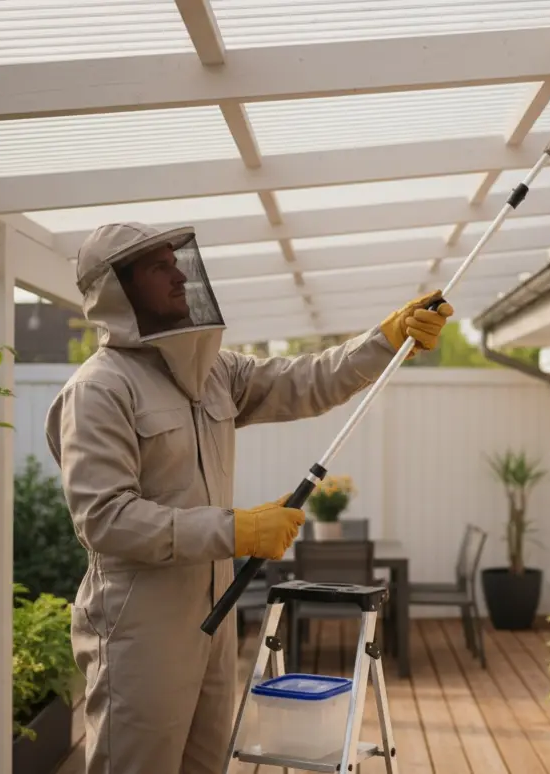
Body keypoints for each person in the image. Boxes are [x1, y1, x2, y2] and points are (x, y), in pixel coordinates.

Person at [44, 222, 453, 774]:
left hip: (214, 619)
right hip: (137, 628)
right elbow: (105, 519)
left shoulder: (213, 372)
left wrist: (384, 341)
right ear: (117, 286)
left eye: (176, 261)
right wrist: (235, 529)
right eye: (158, 267)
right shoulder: (99, 389)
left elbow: (304, 380)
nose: (178, 275)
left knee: (206, 765)